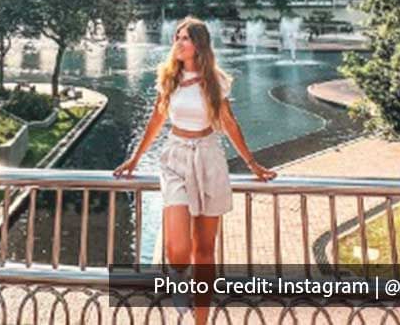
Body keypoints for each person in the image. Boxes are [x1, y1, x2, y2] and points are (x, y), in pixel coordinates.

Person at [113, 16, 277, 322]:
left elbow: (229, 123)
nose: (178, 42)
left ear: (198, 44)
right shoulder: (168, 78)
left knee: (204, 251)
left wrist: (252, 164)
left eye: (185, 37)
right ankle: (177, 281)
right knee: (178, 248)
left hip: (209, 157)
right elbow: (156, 121)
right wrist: (136, 158)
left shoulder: (215, 80)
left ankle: (200, 319)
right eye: (177, 37)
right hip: (174, 158)